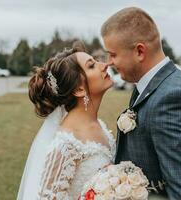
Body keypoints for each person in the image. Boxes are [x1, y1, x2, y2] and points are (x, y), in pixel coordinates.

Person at [101, 7, 181, 199]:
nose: (109, 62)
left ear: (139, 51)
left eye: (113, 54)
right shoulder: (149, 86)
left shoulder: (174, 100)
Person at [17, 41, 115, 200]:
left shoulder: (99, 125)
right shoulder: (66, 144)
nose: (104, 65)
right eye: (92, 66)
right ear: (79, 89)